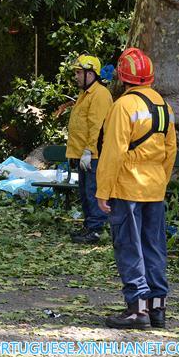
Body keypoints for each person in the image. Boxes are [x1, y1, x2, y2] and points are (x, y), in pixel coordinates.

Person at [96, 48, 176, 330]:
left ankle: (136, 310)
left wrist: (103, 190)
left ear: (122, 75)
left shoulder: (123, 106)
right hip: (154, 189)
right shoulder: (164, 107)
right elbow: (170, 150)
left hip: (127, 189)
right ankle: (157, 309)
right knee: (154, 247)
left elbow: (113, 153)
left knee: (130, 247)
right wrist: (160, 182)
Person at [66, 55, 114, 244]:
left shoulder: (100, 95)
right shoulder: (85, 94)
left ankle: (95, 230)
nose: (76, 76)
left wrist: (89, 151)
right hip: (83, 154)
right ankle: (89, 226)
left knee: (93, 191)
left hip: (93, 155)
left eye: (79, 72)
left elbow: (97, 127)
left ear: (91, 73)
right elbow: (80, 126)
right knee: (86, 192)